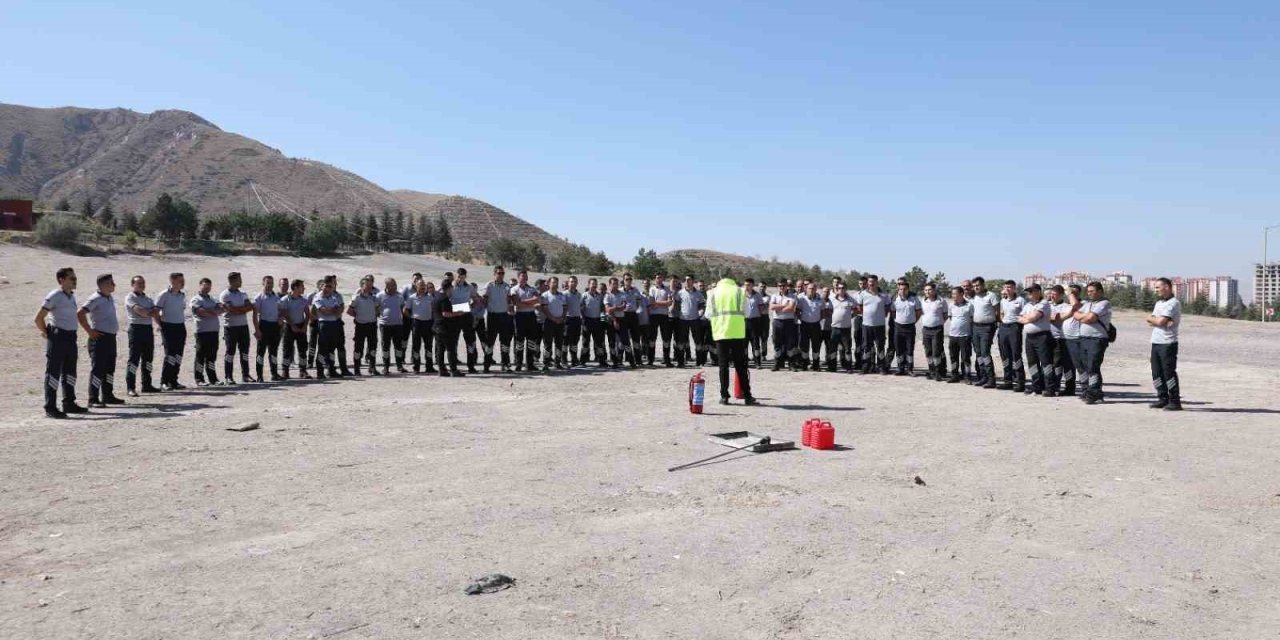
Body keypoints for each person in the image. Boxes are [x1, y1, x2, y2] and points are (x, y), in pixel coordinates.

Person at [36, 267, 86, 418]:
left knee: (70, 371)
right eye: (71, 278)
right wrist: (48, 333)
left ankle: (69, 403)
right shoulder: (55, 295)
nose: (74, 280)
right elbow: (38, 318)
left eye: (75, 277)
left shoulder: (71, 296)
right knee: (53, 372)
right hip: (58, 337)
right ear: (61, 280)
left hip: (71, 337)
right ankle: (50, 407)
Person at [704, 274, 758, 405]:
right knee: (741, 366)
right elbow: (745, 312)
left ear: (720, 280)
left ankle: (724, 396)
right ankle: (747, 395)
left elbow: (708, 314)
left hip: (720, 333)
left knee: (723, 366)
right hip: (737, 333)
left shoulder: (712, 292)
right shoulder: (740, 291)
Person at [73, 272, 119, 409]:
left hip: (111, 337)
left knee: (110, 368)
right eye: (111, 282)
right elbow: (80, 313)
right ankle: (93, 398)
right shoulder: (95, 298)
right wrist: (89, 330)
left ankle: (108, 395)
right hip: (99, 338)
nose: (114, 284)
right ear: (103, 285)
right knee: (98, 369)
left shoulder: (109, 297)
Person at [1146, 277, 1183, 411]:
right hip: (1156, 341)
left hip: (1168, 343)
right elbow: (1150, 320)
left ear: (1166, 287)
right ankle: (1162, 398)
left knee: (1168, 372)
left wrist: (1158, 320)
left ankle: (1174, 400)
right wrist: (1156, 320)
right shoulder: (1159, 303)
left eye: (1157, 287)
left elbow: (1160, 321)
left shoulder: (1173, 303)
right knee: (1156, 372)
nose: (1156, 290)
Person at [1073, 281, 1111, 405]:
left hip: (1097, 339)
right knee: (1085, 367)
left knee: (1093, 366)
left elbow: (1091, 318)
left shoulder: (1104, 303)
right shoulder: (1087, 304)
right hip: (1084, 338)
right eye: (1088, 291)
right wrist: (1084, 316)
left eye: (1092, 291)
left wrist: (1084, 317)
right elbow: (1075, 314)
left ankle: (1093, 393)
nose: (1089, 293)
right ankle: (1093, 392)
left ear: (1100, 291)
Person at [124, 275, 161, 396]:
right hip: (136, 329)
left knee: (148, 359)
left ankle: (147, 384)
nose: (141, 285)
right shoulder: (130, 297)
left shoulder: (148, 298)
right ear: (133, 285)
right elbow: (141, 312)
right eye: (139, 283)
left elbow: (155, 313)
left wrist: (158, 322)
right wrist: (150, 312)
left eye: (143, 283)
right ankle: (131, 387)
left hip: (147, 329)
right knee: (134, 359)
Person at [1018, 284, 1055, 396]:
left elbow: (1033, 317)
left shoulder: (1044, 303)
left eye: (1031, 291)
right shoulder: (1028, 305)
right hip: (1030, 337)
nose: (1029, 293)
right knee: (1032, 363)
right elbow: (1019, 318)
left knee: (1046, 363)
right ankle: (1036, 386)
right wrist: (1027, 319)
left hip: (1042, 336)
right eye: (1028, 291)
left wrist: (1027, 319)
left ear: (1038, 291)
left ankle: (1050, 388)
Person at [218, 272, 254, 384]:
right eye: (239, 279)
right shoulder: (225, 295)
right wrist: (242, 309)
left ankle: (246, 375)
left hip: (243, 326)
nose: (241, 281)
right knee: (230, 352)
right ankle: (228, 376)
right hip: (230, 327)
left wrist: (239, 309)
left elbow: (249, 307)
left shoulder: (243, 293)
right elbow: (230, 310)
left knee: (244, 352)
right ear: (232, 281)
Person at [155, 272, 188, 391]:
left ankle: (174, 380)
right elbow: (155, 312)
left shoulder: (182, 295)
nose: (183, 282)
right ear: (172, 281)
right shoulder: (164, 294)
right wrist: (161, 325)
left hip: (180, 326)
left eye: (183, 280)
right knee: (170, 355)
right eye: (180, 280)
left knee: (178, 355)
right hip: (168, 327)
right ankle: (164, 381)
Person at [190, 277, 223, 386]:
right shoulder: (195, 299)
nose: (207, 287)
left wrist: (211, 311)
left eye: (209, 285)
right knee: (200, 356)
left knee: (212, 356)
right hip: (202, 332)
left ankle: (213, 378)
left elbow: (222, 309)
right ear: (200, 285)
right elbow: (200, 312)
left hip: (214, 331)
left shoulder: (213, 299)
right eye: (205, 285)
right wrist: (214, 311)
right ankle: (199, 379)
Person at [311, 278, 345, 379]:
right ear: (322, 286)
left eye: (331, 286)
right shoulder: (318, 297)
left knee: (331, 349)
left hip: (333, 324)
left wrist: (330, 310)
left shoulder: (333, 297)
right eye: (326, 286)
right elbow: (323, 311)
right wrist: (331, 310)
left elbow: (339, 310)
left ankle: (331, 369)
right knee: (322, 349)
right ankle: (320, 371)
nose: (328, 288)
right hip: (324, 324)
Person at [969, 276, 1000, 389]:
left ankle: (991, 379)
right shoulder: (973, 297)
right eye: (974, 286)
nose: (976, 287)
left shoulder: (991, 296)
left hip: (987, 328)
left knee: (985, 353)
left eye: (978, 285)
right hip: (975, 327)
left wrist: (993, 325)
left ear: (983, 285)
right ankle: (983, 377)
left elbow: (998, 311)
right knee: (978, 353)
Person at [996, 280, 1026, 392]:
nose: (1007, 289)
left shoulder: (1020, 300)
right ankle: (1007, 380)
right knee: (1005, 355)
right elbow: (1002, 313)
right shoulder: (1003, 301)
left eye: (1009, 287)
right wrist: (1003, 320)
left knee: (1016, 355)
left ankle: (1020, 381)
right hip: (1004, 327)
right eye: (1005, 287)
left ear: (1014, 288)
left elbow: (1025, 313)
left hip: (1015, 328)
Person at [252, 275, 283, 381]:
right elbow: (255, 315)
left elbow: (280, 310)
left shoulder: (276, 297)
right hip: (264, 325)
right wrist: (257, 329)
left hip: (274, 326)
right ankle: (259, 375)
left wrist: (280, 318)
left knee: (273, 351)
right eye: (268, 282)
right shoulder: (259, 297)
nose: (270, 285)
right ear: (263, 283)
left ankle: (274, 373)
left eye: (271, 283)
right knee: (261, 352)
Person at [481, 267, 513, 372]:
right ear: (494, 274)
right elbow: (484, 300)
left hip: (504, 316)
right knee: (490, 342)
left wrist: (511, 310)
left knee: (505, 342)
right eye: (499, 273)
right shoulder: (489, 286)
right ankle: (487, 364)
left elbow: (509, 301)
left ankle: (505, 364)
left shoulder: (507, 286)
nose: (501, 275)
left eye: (503, 273)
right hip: (492, 316)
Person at [451, 267, 481, 373]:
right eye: (459, 277)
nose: (460, 279)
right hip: (454, 316)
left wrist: (470, 307)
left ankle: (471, 366)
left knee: (471, 341)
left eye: (463, 277)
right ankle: (453, 366)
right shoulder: (451, 286)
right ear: (456, 276)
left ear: (465, 277)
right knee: (453, 341)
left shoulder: (469, 287)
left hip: (467, 316)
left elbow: (477, 299)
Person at [347, 277, 380, 375]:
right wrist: (358, 316)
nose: (370, 287)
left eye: (371, 285)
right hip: (361, 326)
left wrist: (376, 314)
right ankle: (357, 369)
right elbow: (349, 311)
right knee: (358, 348)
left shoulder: (374, 297)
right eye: (367, 284)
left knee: (373, 347)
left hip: (372, 325)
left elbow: (378, 310)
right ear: (362, 285)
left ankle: (372, 367)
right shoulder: (356, 297)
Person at [859, 275, 891, 374]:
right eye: (869, 282)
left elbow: (887, 309)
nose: (871, 283)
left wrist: (879, 315)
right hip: (867, 325)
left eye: (873, 281)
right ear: (867, 283)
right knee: (866, 347)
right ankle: (866, 366)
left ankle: (881, 367)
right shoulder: (862, 294)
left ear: (877, 282)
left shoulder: (884, 295)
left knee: (880, 347)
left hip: (879, 326)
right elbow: (860, 308)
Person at [433, 279, 466, 377]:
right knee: (450, 349)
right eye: (452, 288)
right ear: (449, 288)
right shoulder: (444, 299)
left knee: (440, 349)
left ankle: (442, 369)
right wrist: (458, 313)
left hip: (437, 326)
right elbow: (445, 313)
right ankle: (453, 370)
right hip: (445, 328)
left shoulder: (436, 297)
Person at [280, 279, 311, 379]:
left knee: (302, 349)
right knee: (287, 349)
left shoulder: (303, 300)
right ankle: (285, 371)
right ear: (296, 287)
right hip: (289, 327)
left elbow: (307, 314)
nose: (304, 288)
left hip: (301, 326)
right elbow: (284, 314)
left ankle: (303, 371)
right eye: (302, 286)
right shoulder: (285, 299)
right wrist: (292, 325)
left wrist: (305, 326)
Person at [511, 270, 541, 372]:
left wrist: (523, 301)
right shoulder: (514, 289)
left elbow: (537, 299)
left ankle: (530, 364)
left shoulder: (532, 289)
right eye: (521, 276)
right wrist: (530, 302)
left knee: (531, 341)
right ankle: (519, 364)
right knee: (519, 341)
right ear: (518, 277)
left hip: (531, 316)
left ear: (527, 278)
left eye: (525, 276)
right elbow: (517, 303)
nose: (523, 278)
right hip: (520, 316)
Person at [890, 280, 922, 376]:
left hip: (910, 328)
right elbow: (893, 312)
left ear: (908, 290)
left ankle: (909, 369)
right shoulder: (895, 300)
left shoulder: (914, 299)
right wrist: (898, 320)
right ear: (898, 290)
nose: (902, 291)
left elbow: (918, 312)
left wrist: (912, 321)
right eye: (900, 289)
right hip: (898, 327)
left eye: (904, 289)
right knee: (899, 349)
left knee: (909, 349)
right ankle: (900, 368)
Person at [1046, 285, 1074, 396]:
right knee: (1050, 363)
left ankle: (1063, 386)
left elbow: (1058, 319)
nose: (1052, 296)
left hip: (1061, 338)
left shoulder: (1066, 306)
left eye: (1055, 294)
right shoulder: (1046, 305)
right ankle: (1051, 384)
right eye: (1051, 293)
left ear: (1061, 295)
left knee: (1060, 364)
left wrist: (1048, 317)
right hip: (1048, 337)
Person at [377, 277, 407, 374]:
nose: (395, 287)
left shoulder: (399, 296)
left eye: (395, 285)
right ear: (387, 286)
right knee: (385, 346)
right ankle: (386, 366)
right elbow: (375, 308)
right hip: (385, 325)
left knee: (398, 346)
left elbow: (403, 308)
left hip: (398, 324)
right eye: (393, 285)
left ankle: (399, 365)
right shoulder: (380, 296)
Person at [1060, 284, 1085, 398]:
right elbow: (1060, 317)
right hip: (1065, 339)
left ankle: (1086, 389)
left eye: (1074, 293)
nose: (1071, 294)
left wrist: (1070, 293)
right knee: (1067, 367)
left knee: (1080, 366)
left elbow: (1075, 304)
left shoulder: (1083, 304)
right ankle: (1069, 388)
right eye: (1070, 292)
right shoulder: (1065, 306)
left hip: (1077, 339)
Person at [768, 279, 799, 371]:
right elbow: (771, 307)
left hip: (789, 322)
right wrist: (784, 305)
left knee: (790, 343)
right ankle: (777, 363)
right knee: (777, 342)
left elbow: (790, 308)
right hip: (777, 322)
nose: (781, 287)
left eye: (783, 285)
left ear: (787, 286)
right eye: (779, 286)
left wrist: (779, 307)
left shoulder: (793, 296)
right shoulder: (774, 296)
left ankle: (791, 364)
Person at [919, 282, 948, 381]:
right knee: (928, 352)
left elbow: (945, 316)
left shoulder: (941, 301)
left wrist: (937, 323)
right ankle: (931, 371)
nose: (927, 292)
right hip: (926, 330)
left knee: (936, 352)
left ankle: (938, 371)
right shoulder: (922, 301)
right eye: (926, 290)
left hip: (937, 330)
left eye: (929, 290)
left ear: (934, 290)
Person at [605, 277, 635, 368]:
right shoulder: (607, 295)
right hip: (611, 320)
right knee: (612, 342)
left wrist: (614, 308)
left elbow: (623, 307)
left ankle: (631, 362)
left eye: (616, 284)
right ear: (609, 284)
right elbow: (608, 310)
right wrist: (615, 317)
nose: (615, 285)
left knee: (626, 342)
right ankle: (615, 362)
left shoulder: (622, 294)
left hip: (622, 319)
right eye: (613, 283)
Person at [407, 280, 436, 373]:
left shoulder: (430, 297)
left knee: (429, 346)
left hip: (428, 323)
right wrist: (412, 317)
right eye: (421, 286)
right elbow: (405, 309)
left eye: (424, 286)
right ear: (417, 287)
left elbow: (434, 310)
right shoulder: (411, 298)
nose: (423, 288)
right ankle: (416, 366)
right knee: (416, 346)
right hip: (417, 324)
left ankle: (429, 366)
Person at [945, 286, 974, 383]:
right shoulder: (951, 305)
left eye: (955, 294)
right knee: (953, 356)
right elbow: (950, 317)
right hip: (953, 336)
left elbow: (972, 319)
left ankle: (967, 376)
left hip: (965, 336)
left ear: (961, 294)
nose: (953, 296)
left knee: (965, 357)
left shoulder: (969, 305)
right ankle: (954, 375)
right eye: (952, 294)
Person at [673, 275, 702, 367]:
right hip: (683, 320)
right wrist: (678, 314)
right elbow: (676, 305)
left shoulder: (698, 293)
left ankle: (699, 361)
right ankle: (680, 362)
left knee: (697, 341)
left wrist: (700, 312)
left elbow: (702, 305)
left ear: (693, 281)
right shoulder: (680, 293)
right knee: (681, 341)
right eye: (685, 279)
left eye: (688, 279)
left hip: (695, 320)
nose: (686, 281)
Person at [540, 276, 568, 370]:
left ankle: (557, 362)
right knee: (548, 344)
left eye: (556, 282)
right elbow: (545, 309)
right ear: (549, 283)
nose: (555, 284)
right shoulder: (545, 295)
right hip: (549, 322)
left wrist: (562, 318)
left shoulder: (561, 295)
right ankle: (546, 363)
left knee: (559, 343)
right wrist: (553, 318)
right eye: (553, 282)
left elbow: (565, 308)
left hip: (560, 322)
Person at [829, 282, 858, 372]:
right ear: (837, 289)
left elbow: (856, 310)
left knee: (847, 349)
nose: (841, 290)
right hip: (835, 328)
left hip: (846, 328)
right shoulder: (832, 299)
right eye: (839, 288)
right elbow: (829, 310)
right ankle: (832, 367)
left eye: (843, 288)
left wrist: (850, 316)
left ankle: (848, 367)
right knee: (833, 349)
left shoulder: (851, 300)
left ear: (845, 289)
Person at [796, 283, 823, 371]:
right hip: (805, 325)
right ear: (806, 289)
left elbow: (823, 311)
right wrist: (802, 318)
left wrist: (818, 318)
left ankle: (816, 364)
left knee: (816, 346)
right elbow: (797, 311)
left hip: (816, 325)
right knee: (804, 346)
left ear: (816, 289)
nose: (811, 290)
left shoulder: (820, 299)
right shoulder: (801, 299)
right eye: (809, 288)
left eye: (813, 289)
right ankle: (804, 364)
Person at [649, 273, 675, 366]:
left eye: (660, 278)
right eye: (657, 278)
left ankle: (667, 360)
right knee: (652, 338)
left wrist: (657, 303)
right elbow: (651, 303)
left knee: (666, 339)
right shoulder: (652, 289)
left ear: (663, 279)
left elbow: (669, 302)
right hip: (653, 316)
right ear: (655, 279)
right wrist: (663, 303)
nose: (659, 279)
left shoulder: (667, 289)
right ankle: (651, 360)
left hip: (664, 316)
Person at [581, 278, 607, 367]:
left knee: (599, 342)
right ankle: (583, 361)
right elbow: (581, 308)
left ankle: (602, 360)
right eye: (592, 284)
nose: (594, 286)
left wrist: (603, 322)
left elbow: (603, 309)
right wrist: (583, 319)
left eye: (595, 284)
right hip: (587, 321)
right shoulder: (584, 295)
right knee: (585, 342)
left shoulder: (600, 296)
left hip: (597, 321)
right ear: (589, 285)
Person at [564, 276, 584, 367]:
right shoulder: (564, 294)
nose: (573, 283)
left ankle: (574, 359)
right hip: (568, 319)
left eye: (575, 282)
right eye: (571, 281)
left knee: (575, 341)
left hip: (577, 319)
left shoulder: (579, 294)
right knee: (565, 340)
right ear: (568, 283)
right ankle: (563, 359)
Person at [852, 276, 868, 371]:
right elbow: (854, 307)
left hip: (867, 319)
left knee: (866, 341)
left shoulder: (870, 294)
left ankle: (866, 361)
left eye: (864, 283)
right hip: (858, 319)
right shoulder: (855, 295)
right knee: (857, 340)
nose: (862, 285)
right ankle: (857, 362)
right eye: (860, 283)